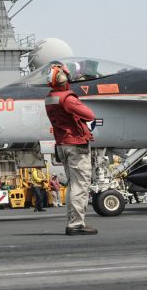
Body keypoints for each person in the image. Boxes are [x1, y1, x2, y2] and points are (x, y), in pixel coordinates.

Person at [45, 63, 98, 236]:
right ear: (64, 79)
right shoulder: (67, 98)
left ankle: (73, 221)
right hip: (76, 144)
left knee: (72, 185)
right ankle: (76, 224)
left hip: (62, 144)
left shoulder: (50, 98)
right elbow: (89, 114)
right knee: (80, 184)